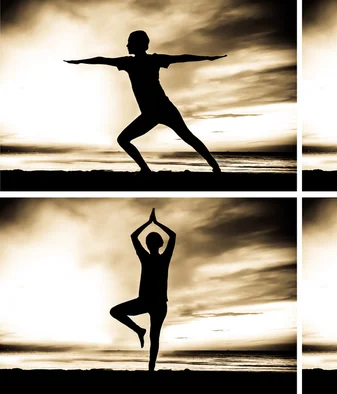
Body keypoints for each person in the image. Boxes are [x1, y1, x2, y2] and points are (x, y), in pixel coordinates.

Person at [65, 30, 226, 173]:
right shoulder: (138, 61)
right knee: (125, 139)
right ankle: (146, 170)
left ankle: (214, 167)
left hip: (163, 109)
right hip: (151, 113)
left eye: (129, 42)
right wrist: (80, 61)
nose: (126, 45)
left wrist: (206, 58)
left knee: (188, 137)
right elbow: (102, 59)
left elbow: (181, 58)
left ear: (138, 45)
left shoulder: (136, 61)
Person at [110, 208, 176, 371]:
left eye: (150, 242)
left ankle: (150, 368)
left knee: (154, 336)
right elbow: (172, 236)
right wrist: (155, 223)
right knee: (117, 312)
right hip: (148, 302)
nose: (150, 244)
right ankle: (140, 333)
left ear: (154, 244)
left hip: (157, 303)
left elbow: (134, 236)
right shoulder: (151, 257)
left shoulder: (155, 257)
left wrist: (150, 223)